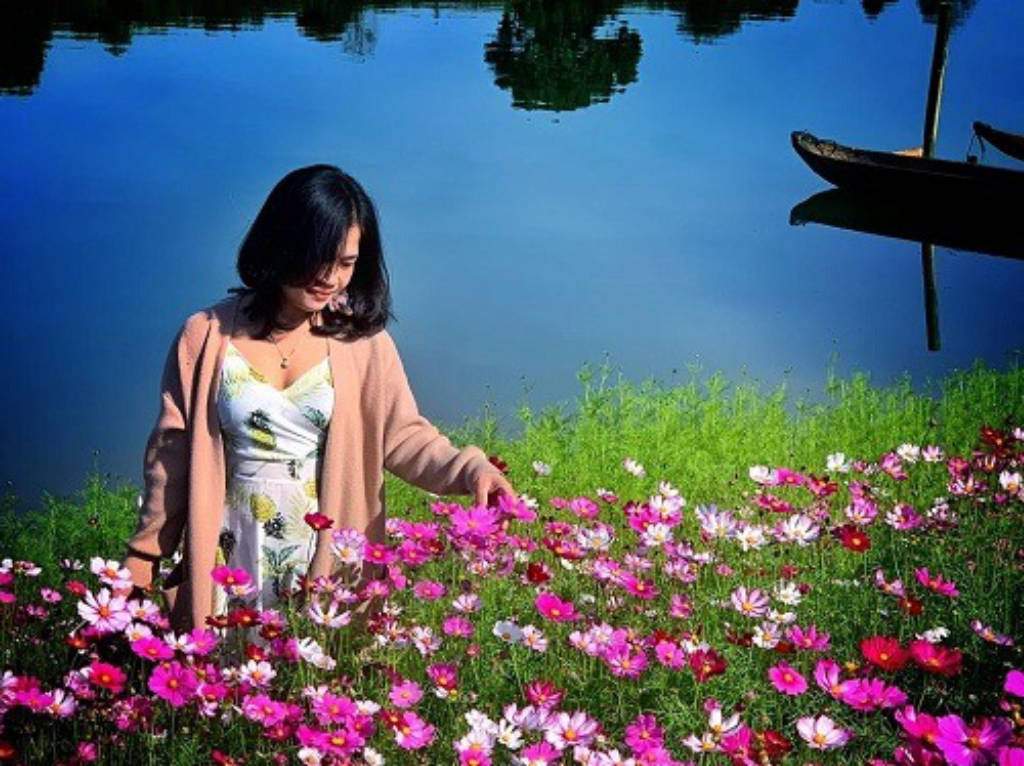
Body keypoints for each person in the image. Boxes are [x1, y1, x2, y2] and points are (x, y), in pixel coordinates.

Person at [120, 164, 515, 632]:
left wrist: (471, 469)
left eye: (346, 263)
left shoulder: (364, 346)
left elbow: (406, 437)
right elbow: (171, 457)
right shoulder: (205, 336)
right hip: (229, 555)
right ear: (279, 244)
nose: (330, 277)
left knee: (312, 669)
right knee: (224, 669)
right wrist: (144, 553)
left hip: (325, 562)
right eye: (318, 258)